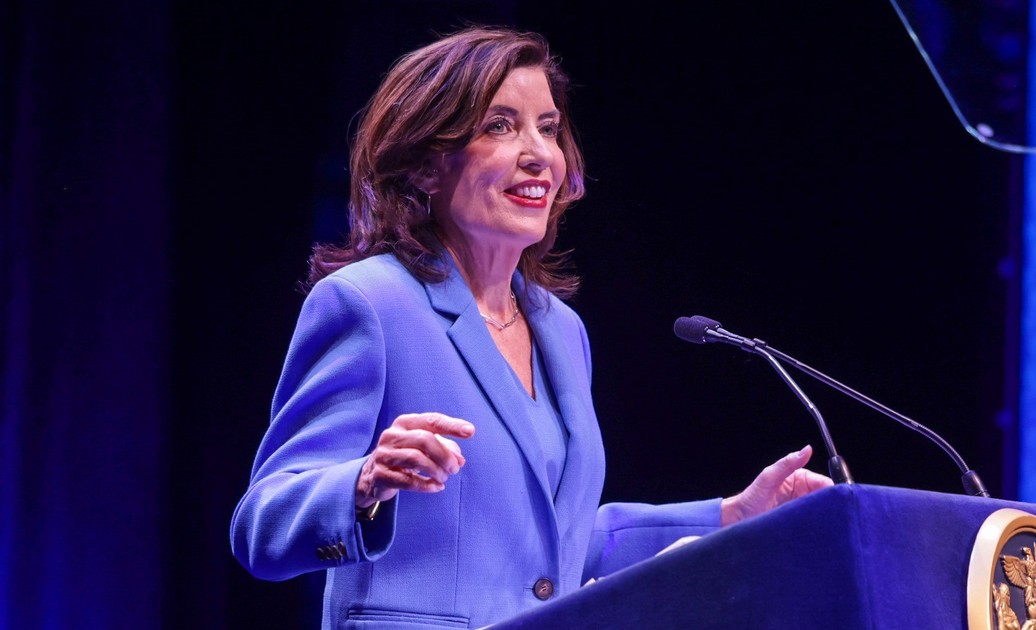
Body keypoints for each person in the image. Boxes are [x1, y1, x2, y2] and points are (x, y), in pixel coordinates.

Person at [230, 25, 834, 630]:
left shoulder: (561, 329)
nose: (540, 153)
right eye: (499, 126)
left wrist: (730, 516)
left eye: (548, 128)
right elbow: (262, 526)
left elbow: (553, 547)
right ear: (425, 167)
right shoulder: (370, 303)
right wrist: (364, 482)